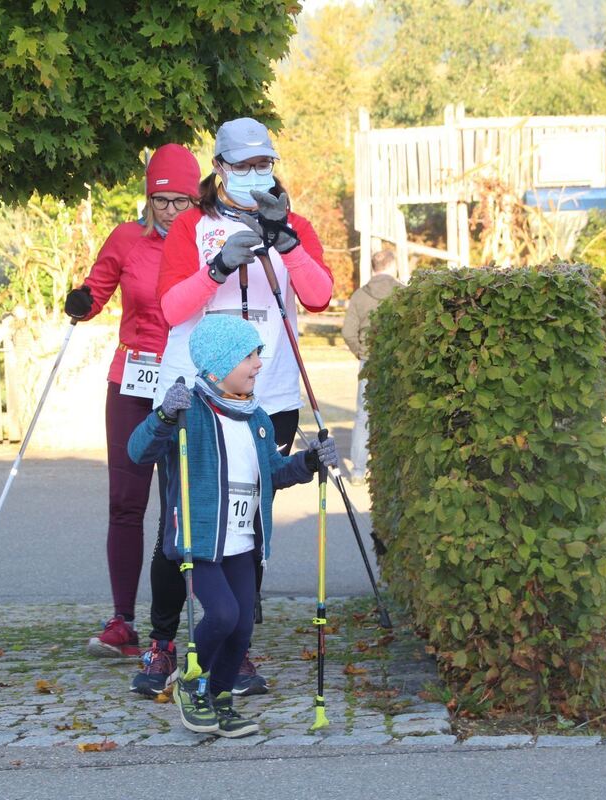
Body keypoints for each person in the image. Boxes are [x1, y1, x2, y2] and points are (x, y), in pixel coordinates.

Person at [130, 117, 334, 697]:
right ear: (218, 168)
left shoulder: (293, 224)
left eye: (262, 163)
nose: (253, 174)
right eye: (241, 165)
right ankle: (163, 642)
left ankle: (232, 647)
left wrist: (285, 242)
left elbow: (319, 295)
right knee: (183, 519)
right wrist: (217, 268)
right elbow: (170, 309)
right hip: (196, 391)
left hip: (268, 393)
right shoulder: (192, 225)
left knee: (250, 516)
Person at [128, 313, 338, 736]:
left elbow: (274, 473)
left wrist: (309, 461)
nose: (259, 364)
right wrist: (165, 416)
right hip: (201, 540)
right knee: (222, 614)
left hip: (243, 541)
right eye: (249, 355)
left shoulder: (257, 419)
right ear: (219, 364)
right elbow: (139, 451)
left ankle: (220, 696)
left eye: (258, 353)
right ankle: (191, 682)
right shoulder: (190, 412)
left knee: (242, 625)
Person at [62, 144, 201, 659]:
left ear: (195, 200)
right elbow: (97, 287)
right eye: (160, 200)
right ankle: (122, 620)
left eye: (180, 200)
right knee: (126, 503)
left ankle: (177, 621)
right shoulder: (125, 238)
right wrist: (82, 300)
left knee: (180, 507)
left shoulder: (205, 242)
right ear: (148, 198)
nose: (169, 210)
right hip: (132, 381)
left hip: (184, 384)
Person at [340, 248, 402, 484]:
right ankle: (392, 469)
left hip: (369, 360)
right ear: (392, 266)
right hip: (396, 360)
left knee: (363, 414)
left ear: (374, 268)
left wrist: (361, 351)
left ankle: (358, 471)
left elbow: (347, 331)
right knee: (396, 412)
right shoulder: (402, 293)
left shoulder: (359, 296)